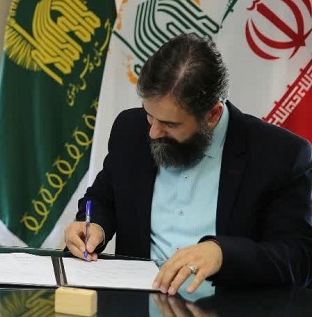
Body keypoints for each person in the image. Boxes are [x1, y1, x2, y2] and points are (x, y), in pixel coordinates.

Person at [63, 33, 312, 294]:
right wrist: (94, 226)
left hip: (230, 313)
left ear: (212, 114)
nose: (153, 133)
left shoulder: (280, 154)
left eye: (170, 124)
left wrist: (221, 253)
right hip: (138, 309)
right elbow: (103, 198)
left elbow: (299, 257)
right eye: (149, 116)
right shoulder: (130, 129)